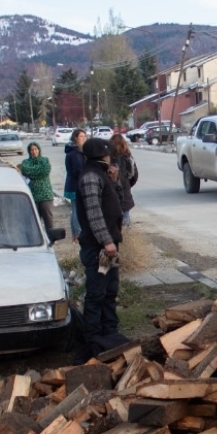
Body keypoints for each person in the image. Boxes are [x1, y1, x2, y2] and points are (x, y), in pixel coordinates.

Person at [75, 137, 129, 356]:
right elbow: (94, 214)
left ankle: (110, 332)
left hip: (109, 245)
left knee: (110, 288)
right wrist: (106, 242)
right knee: (96, 291)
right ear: (100, 156)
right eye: (107, 154)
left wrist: (115, 181)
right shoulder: (90, 176)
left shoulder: (102, 174)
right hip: (99, 247)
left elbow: (117, 201)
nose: (110, 157)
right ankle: (94, 339)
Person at [19, 142, 54, 230]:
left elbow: (45, 170)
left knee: (48, 218)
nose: (34, 152)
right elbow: (25, 170)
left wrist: (33, 173)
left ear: (38, 150)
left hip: (45, 194)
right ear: (29, 151)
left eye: (35, 149)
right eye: (32, 150)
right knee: (34, 219)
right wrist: (38, 172)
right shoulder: (25, 162)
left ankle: (51, 237)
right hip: (32, 195)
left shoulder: (45, 160)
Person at [63, 129, 88, 240]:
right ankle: (78, 234)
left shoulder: (76, 151)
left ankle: (75, 234)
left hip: (73, 184)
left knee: (74, 210)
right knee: (77, 211)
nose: (83, 138)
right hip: (75, 185)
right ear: (75, 138)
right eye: (81, 136)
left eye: (84, 136)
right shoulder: (75, 153)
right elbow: (78, 170)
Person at [109, 134, 138, 223]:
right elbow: (134, 175)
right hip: (125, 192)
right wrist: (127, 184)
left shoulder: (107, 158)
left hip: (110, 193)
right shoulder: (128, 157)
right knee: (125, 218)